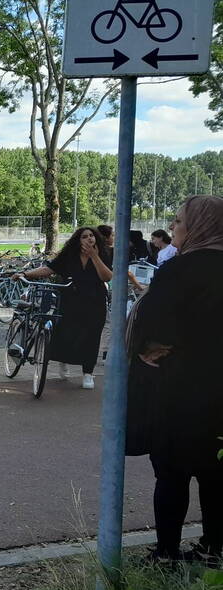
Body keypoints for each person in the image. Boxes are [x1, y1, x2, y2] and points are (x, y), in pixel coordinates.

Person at [127, 196, 223, 564]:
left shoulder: (179, 271)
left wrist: (148, 347)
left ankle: (167, 551)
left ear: (198, 225)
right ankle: (214, 549)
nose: (174, 226)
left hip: (180, 388)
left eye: (179, 220)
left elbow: (155, 327)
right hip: (219, 391)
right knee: (216, 473)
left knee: (172, 472)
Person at [15, 227, 112, 389]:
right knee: (66, 332)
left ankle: (88, 373)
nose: (90, 239)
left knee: (92, 336)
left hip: (94, 302)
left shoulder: (102, 254)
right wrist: (26, 274)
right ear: (78, 240)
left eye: (92, 236)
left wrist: (94, 256)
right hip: (70, 300)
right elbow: (49, 269)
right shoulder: (69, 255)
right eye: (85, 237)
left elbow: (107, 276)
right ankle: (63, 360)